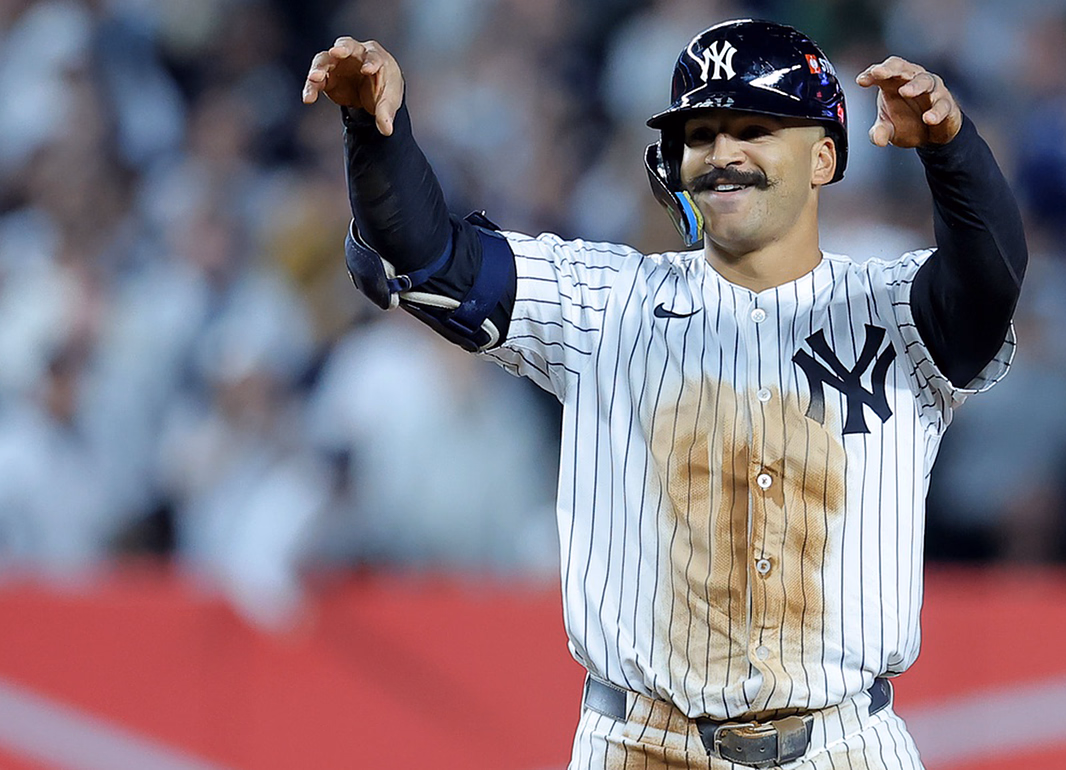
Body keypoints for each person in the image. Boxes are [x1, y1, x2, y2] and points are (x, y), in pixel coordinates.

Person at [303, 18, 1026, 769]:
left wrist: (952, 150)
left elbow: (991, 280)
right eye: (701, 134)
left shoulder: (895, 309)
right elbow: (428, 253)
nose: (724, 154)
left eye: (754, 128)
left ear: (823, 156)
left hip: (846, 741)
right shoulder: (603, 302)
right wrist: (373, 128)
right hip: (643, 743)